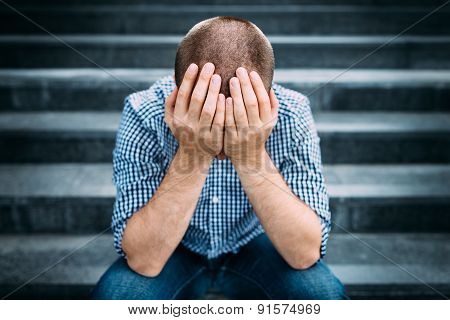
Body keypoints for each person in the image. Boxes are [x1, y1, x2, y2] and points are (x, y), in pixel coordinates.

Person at [92, 16, 346, 300]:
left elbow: (305, 254)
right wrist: (193, 151)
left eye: (240, 122)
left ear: (267, 99)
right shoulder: (145, 111)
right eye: (207, 121)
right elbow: (144, 260)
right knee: (115, 299)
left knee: (322, 295)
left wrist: (250, 155)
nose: (220, 143)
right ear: (178, 100)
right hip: (176, 250)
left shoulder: (291, 112)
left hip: (255, 244)